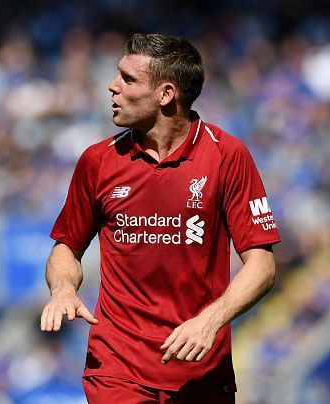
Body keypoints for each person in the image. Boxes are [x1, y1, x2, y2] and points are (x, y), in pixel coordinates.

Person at [40, 33, 280, 403]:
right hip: (117, 368)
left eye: (128, 79)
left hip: (199, 369)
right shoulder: (97, 161)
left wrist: (210, 321)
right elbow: (66, 249)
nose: (112, 86)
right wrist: (63, 289)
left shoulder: (227, 156)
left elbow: (262, 265)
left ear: (166, 94)